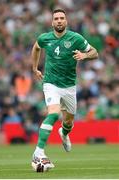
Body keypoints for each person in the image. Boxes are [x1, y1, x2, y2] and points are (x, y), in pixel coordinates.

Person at [31, 9, 98, 171]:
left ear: (66, 21)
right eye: (56, 18)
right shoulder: (45, 38)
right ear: (52, 22)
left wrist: (84, 55)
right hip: (51, 83)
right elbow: (36, 48)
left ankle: (64, 133)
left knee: (68, 122)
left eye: (62, 18)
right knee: (53, 113)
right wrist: (35, 68)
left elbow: (95, 52)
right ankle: (38, 152)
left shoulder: (75, 38)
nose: (59, 21)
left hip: (69, 86)